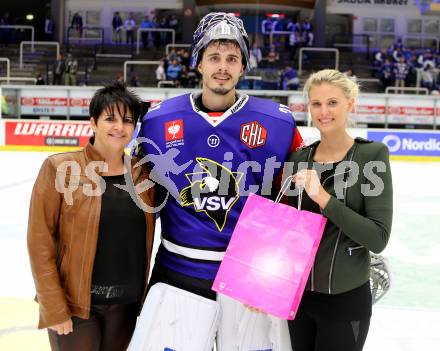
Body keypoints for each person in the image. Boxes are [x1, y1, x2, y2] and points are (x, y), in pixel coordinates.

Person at [133, 12, 303, 349]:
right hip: (178, 275)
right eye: (213, 57)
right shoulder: (157, 120)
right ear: (198, 63)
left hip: (250, 279)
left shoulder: (278, 122)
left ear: (243, 67)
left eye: (231, 58)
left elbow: (295, 203)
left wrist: (278, 281)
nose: (222, 67)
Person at [27, 82, 156, 351]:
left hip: (126, 307)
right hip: (75, 307)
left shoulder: (144, 175)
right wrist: (53, 306)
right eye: (110, 118)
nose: (119, 127)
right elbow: (40, 243)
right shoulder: (60, 168)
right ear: (93, 122)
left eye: (127, 120)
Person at [285, 69, 393, 351]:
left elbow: (378, 238)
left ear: (350, 103)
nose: (324, 111)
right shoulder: (298, 159)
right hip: (299, 301)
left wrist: (324, 198)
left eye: (332, 102)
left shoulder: (372, 156)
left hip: (346, 303)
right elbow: (285, 233)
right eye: (316, 104)